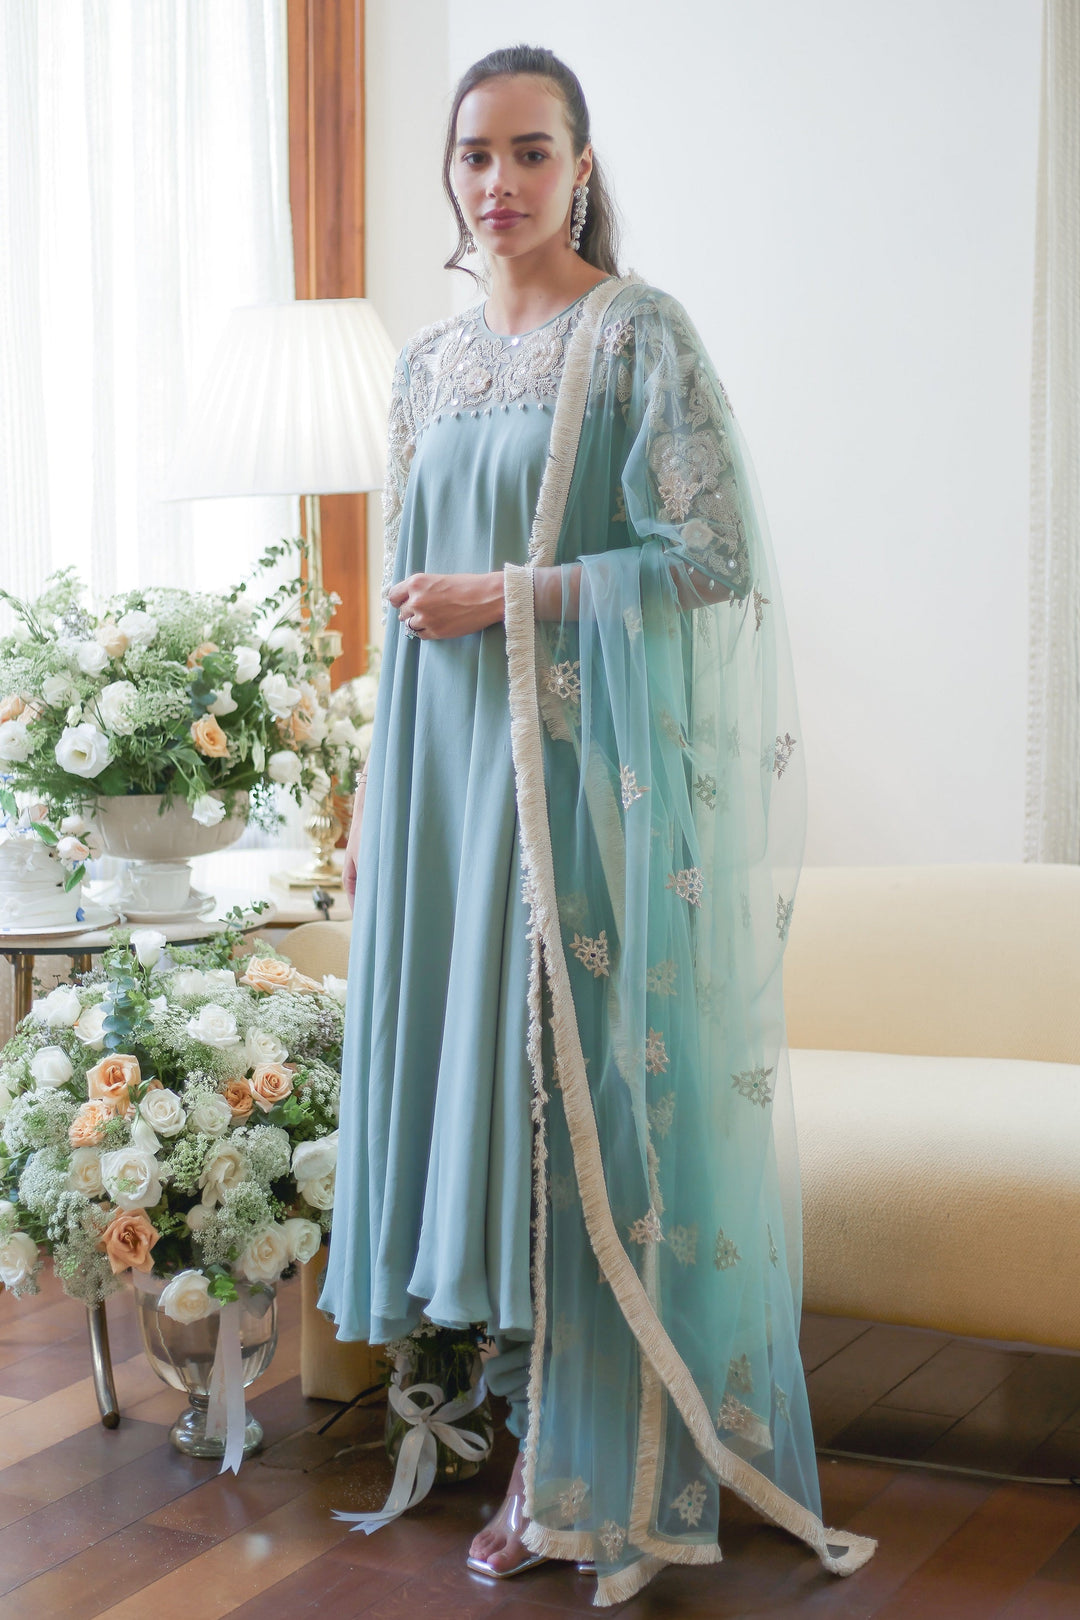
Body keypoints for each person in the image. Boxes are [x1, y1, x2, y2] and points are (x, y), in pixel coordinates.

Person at [319, 43, 877, 1608]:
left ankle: (580, 1471)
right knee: (470, 1105)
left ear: (580, 167)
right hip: (435, 786)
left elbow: (711, 556)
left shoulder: (634, 335)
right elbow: (403, 600)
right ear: (449, 171)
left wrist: (513, 595)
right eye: (474, 154)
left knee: (569, 1111)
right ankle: (500, 1418)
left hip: (565, 791)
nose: (498, 182)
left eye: (530, 152)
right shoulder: (427, 367)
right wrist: (368, 800)